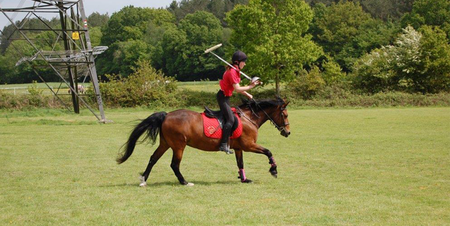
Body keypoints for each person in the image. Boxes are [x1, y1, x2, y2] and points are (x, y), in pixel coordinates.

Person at [217, 50, 260, 154]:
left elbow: (236, 88)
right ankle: (223, 144)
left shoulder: (235, 71)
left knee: (232, 118)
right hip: (222, 97)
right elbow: (237, 89)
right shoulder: (232, 72)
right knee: (231, 120)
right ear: (238, 62)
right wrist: (251, 86)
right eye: (243, 62)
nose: (245, 64)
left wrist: (247, 94)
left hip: (226, 97)